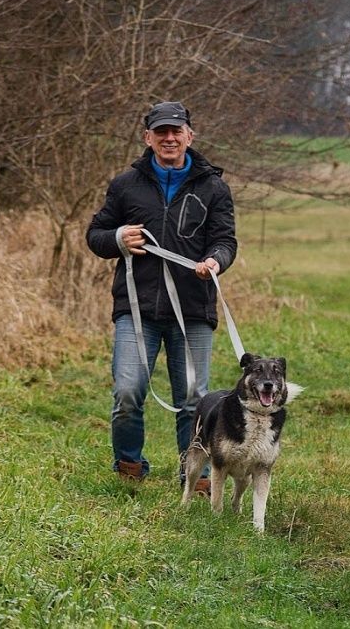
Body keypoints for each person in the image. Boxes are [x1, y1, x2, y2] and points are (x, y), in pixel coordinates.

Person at [86, 101, 238, 487]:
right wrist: (118, 238)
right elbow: (96, 236)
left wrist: (215, 261)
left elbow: (225, 241)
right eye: (161, 132)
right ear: (148, 138)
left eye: (176, 131)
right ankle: (129, 467)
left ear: (189, 135)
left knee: (193, 400)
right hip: (137, 310)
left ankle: (196, 476)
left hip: (192, 309)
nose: (169, 138)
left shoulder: (214, 187)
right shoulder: (125, 185)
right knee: (127, 391)